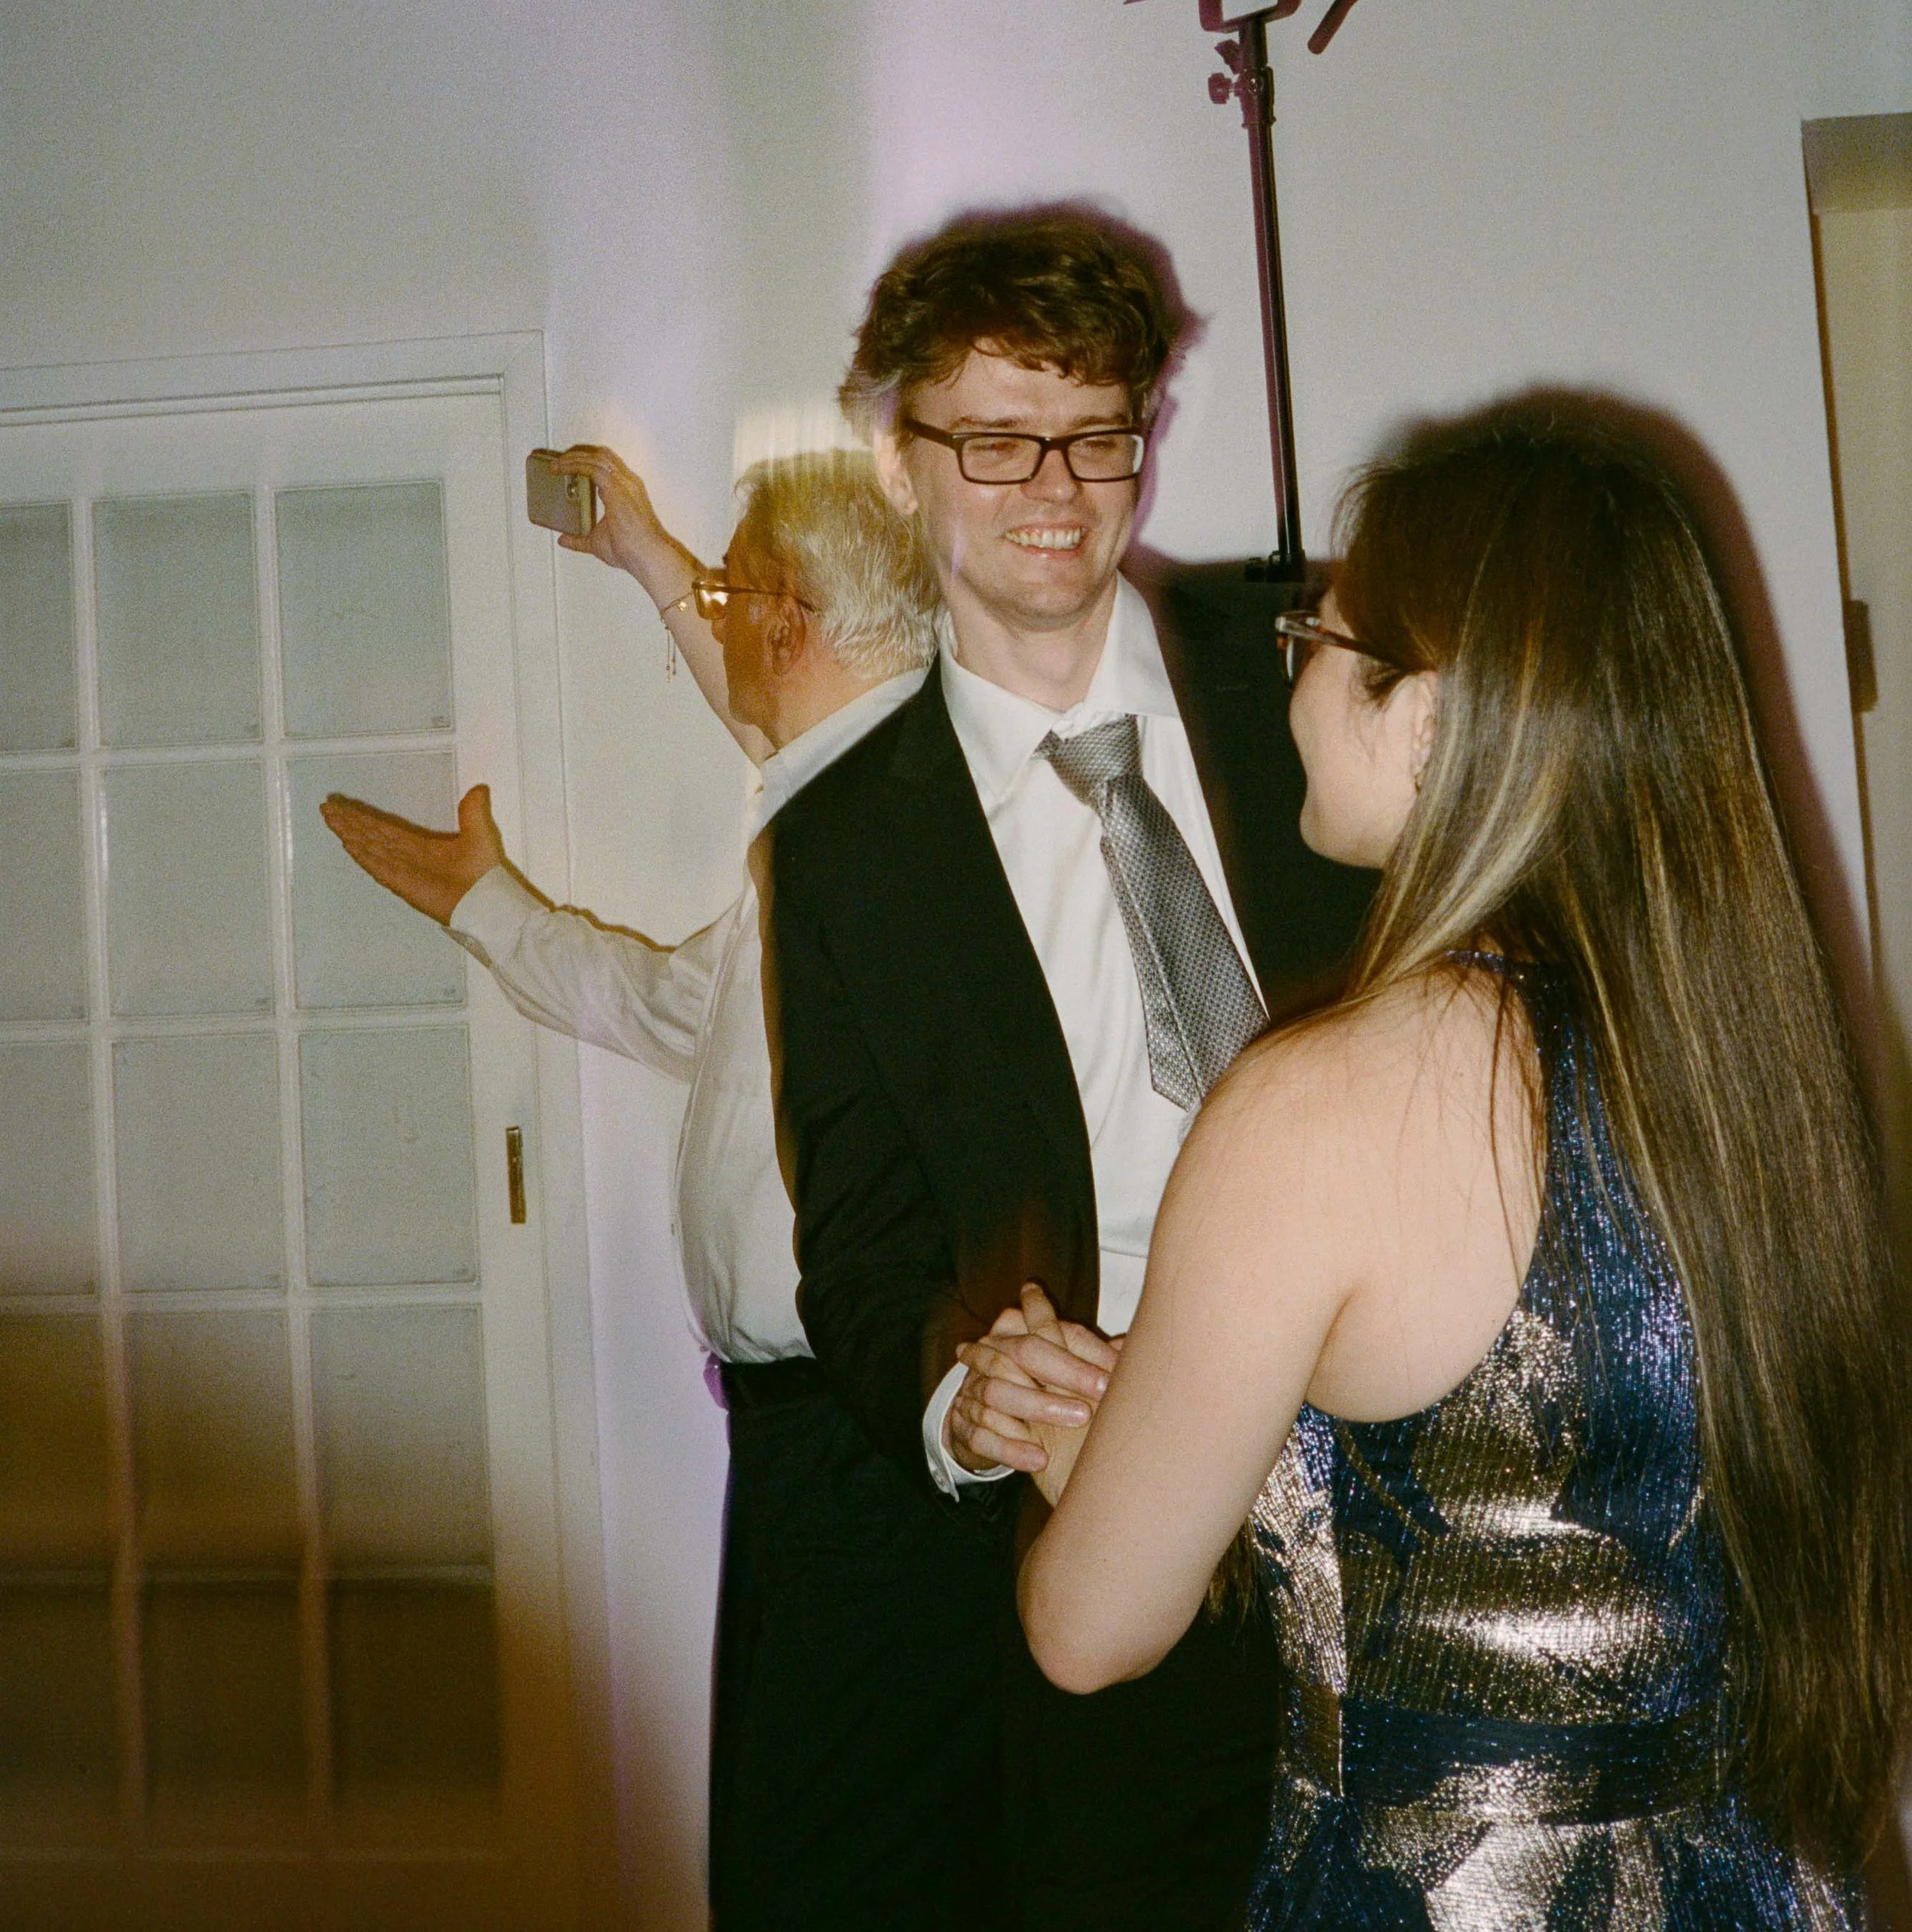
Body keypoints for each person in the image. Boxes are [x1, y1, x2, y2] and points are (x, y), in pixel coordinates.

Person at [1015, 412, 1912, 1924]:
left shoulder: (1316, 1108)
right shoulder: (1756, 1069)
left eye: (1315, 638)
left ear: (1426, 716)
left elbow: (1088, 1629)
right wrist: (1259, 1463)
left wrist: (1086, 1465)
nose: (1290, 682)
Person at [761, 209, 1375, 1930]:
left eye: (1097, 432)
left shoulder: (1313, 679)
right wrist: (962, 1400)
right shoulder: (839, 850)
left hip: (1404, 1452)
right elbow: (859, 1254)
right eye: (996, 438)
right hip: (1115, 1509)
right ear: (901, 460)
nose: (1055, 485)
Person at [320, 444, 955, 1930]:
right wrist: (484, 904)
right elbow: (678, 1008)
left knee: (833, 1869)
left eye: (740, 603)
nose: (720, 629)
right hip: (803, 1445)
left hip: (874, 1444)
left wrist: (667, 568)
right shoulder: (823, 840)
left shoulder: (908, 820)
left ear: (786, 619)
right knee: (789, 1858)